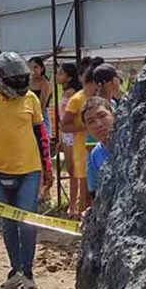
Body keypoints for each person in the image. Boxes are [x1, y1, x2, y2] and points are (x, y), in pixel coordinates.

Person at [0, 51, 53, 289]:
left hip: (29, 171)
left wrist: (47, 168)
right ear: (0, 78)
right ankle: (14, 269)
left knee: (26, 223)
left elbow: (41, 136)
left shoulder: (31, 100)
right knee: (8, 224)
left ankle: (27, 271)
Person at [61, 59, 104, 216]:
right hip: (83, 150)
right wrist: (87, 126)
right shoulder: (77, 100)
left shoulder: (100, 99)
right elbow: (64, 126)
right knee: (85, 193)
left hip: (99, 149)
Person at [56, 62, 83, 216]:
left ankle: (75, 205)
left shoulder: (73, 94)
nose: (57, 76)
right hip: (66, 135)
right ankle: (73, 203)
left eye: (61, 73)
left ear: (69, 77)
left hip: (73, 134)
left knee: (76, 170)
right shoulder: (65, 93)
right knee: (71, 169)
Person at [82, 96, 115, 201]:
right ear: (86, 129)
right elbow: (96, 193)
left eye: (102, 116)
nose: (98, 124)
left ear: (114, 115)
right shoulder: (95, 154)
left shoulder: (131, 143)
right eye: (91, 122)